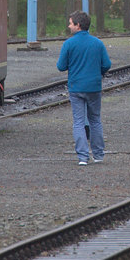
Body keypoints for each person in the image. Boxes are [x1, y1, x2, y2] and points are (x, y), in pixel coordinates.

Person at [56, 10, 111, 165]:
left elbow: (61, 66)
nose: (69, 26)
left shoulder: (69, 44)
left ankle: (82, 157)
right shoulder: (98, 43)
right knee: (95, 120)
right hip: (94, 87)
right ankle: (98, 155)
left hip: (76, 88)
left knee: (79, 122)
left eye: (70, 23)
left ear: (78, 25)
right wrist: (97, 73)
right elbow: (107, 64)